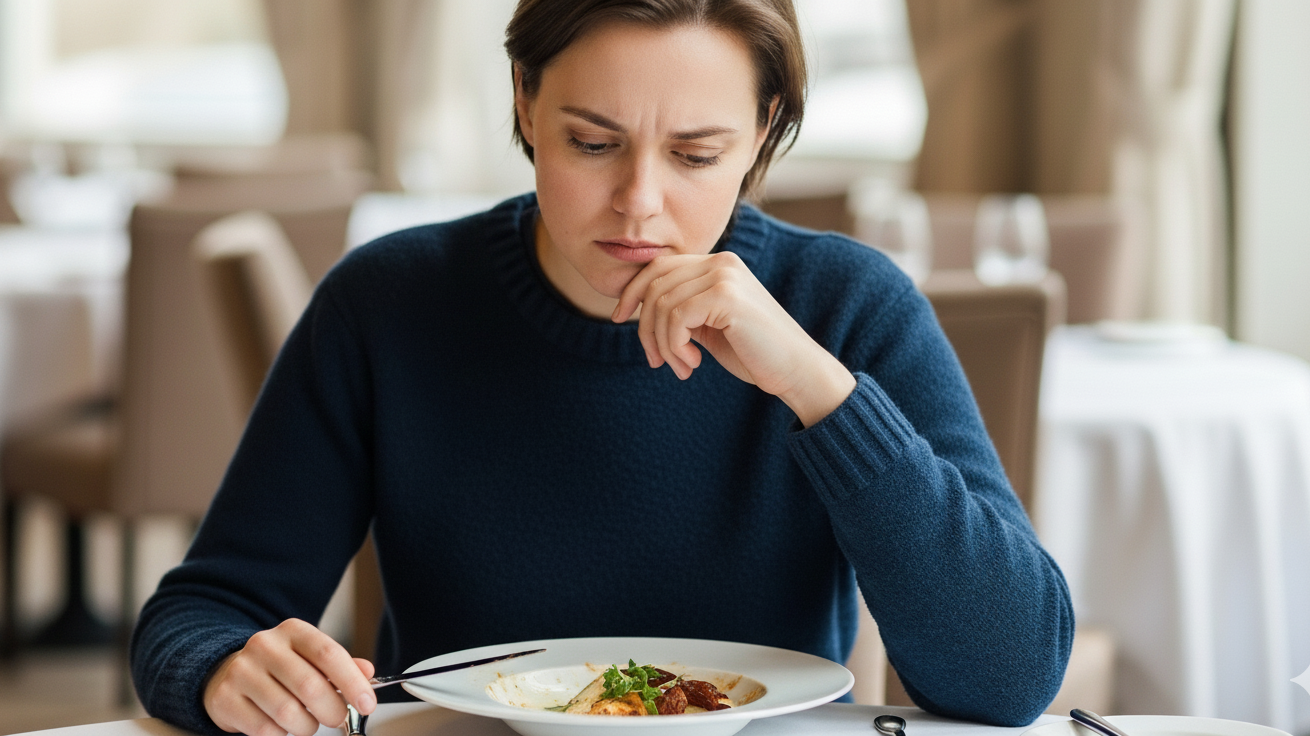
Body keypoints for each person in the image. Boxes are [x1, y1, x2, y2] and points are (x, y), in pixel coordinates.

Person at [131, 1, 1074, 734]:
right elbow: (200, 614)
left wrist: (813, 387)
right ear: (524, 100)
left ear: (764, 128)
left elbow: (1011, 674)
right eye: (593, 142)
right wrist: (223, 672)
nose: (640, 204)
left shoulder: (844, 306)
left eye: (697, 154)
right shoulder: (388, 302)